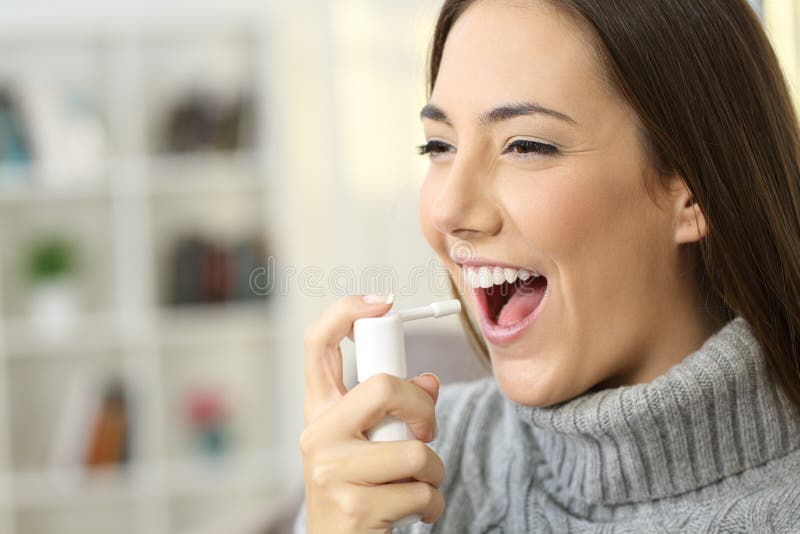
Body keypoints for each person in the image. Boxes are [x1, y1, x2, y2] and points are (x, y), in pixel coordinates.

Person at [295, 0, 800, 531]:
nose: (448, 211)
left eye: (526, 145)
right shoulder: (407, 468)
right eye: (439, 146)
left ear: (694, 189)